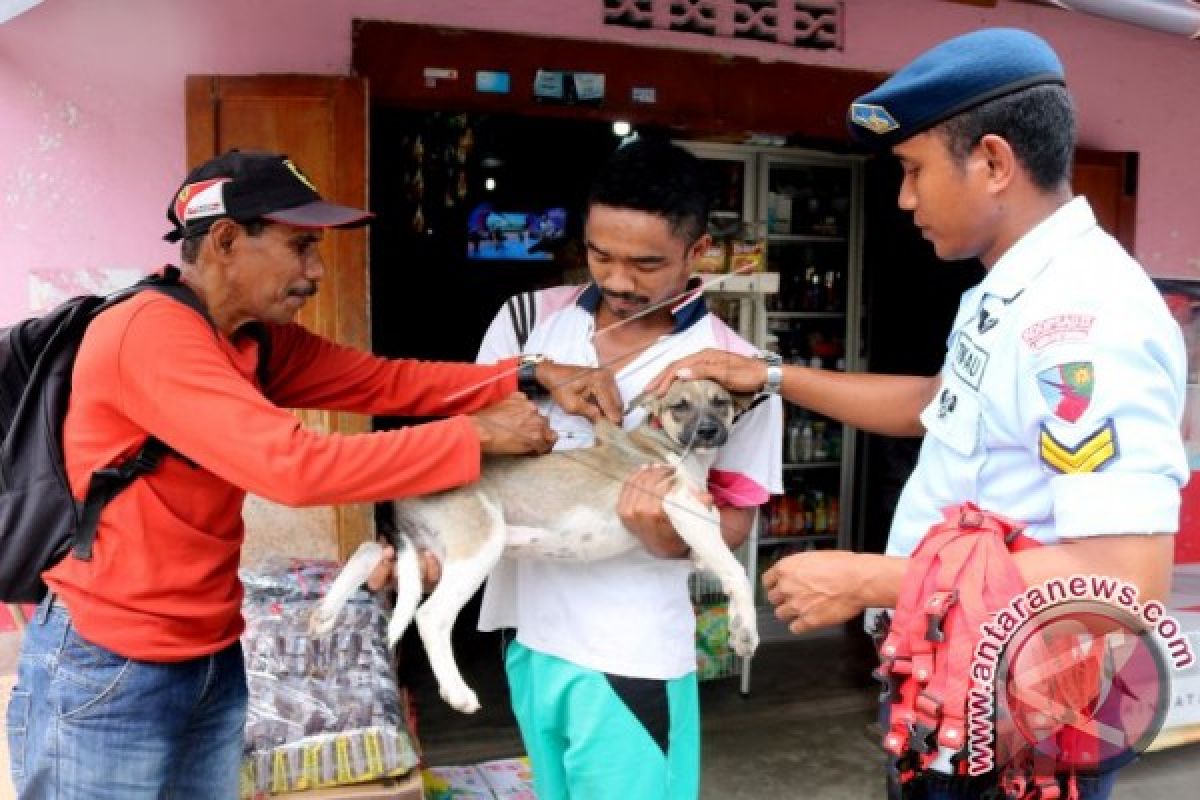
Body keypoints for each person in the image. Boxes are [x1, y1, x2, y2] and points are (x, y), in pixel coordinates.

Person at [647, 28, 1187, 800]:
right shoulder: (1012, 289)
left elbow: (1122, 579)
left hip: (1013, 725)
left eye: (912, 170)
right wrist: (769, 374)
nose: (903, 199)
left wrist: (871, 579)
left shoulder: (1086, 316)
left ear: (994, 163)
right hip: (951, 690)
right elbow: (939, 406)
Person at [5, 149, 622, 800]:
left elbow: (384, 380)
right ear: (224, 240)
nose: (317, 270)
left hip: (207, 652)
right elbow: (293, 467)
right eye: (300, 246)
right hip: (112, 662)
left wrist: (530, 372)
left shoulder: (248, 335)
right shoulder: (149, 333)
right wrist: (472, 435)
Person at [474, 137, 783, 800]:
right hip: (526, 634)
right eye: (600, 254)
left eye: (646, 264)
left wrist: (663, 530)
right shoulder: (527, 321)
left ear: (697, 252)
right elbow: (460, 432)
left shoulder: (735, 366)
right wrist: (534, 381)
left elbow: (733, 521)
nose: (617, 280)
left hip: (630, 653)